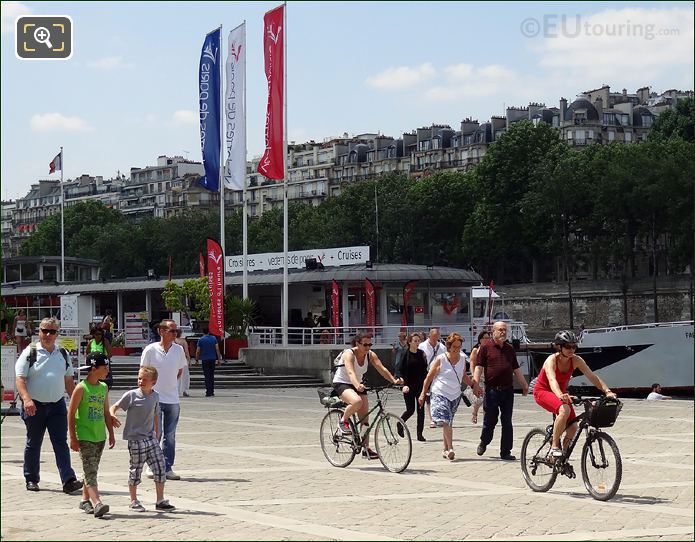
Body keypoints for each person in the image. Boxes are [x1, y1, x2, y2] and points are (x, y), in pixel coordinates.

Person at [14, 317, 83, 494]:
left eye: (52, 331)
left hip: (57, 405)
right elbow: (20, 379)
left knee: (60, 442)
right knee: (33, 442)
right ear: (39, 332)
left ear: (57, 334)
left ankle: (68, 480)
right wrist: (27, 399)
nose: (47, 334)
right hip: (34, 405)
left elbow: (69, 382)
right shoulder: (30, 352)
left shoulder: (63, 354)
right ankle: (31, 478)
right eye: (44, 330)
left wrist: (78, 403)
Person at [533, 330, 617, 457]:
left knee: (573, 427)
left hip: (561, 394)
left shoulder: (576, 360)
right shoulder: (551, 360)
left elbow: (592, 377)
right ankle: (554, 447)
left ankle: (563, 455)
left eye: (574, 346)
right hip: (543, 391)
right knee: (564, 410)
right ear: (559, 347)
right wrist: (560, 395)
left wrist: (607, 391)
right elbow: (552, 380)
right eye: (567, 346)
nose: (571, 349)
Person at [110, 366, 176, 512]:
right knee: (136, 470)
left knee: (160, 467)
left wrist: (157, 434)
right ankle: (133, 500)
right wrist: (112, 415)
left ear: (154, 382)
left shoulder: (155, 396)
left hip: (150, 438)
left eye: (145, 380)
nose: (141, 381)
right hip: (135, 440)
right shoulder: (131, 395)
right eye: (139, 378)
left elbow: (156, 415)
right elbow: (114, 406)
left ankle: (160, 500)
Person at [332, 331, 403, 460]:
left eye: (370, 344)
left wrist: (394, 380)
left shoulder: (370, 355)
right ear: (357, 343)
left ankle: (365, 448)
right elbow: (350, 372)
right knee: (357, 401)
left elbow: (382, 369)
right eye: (365, 345)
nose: (368, 347)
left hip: (358, 384)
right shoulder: (349, 354)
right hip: (342, 383)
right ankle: (343, 421)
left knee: (365, 420)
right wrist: (357, 384)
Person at [67, 352, 119, 518]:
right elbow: (71, 413)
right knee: (90, 471)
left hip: (99, 436)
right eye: (105, 368)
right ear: (94, 369)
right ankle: (97, 503)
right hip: (85, 436)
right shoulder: (81, 388)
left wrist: (110, 433)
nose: (107, 371)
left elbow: (105, 412)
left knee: (92, 470)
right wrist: (73, 437)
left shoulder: (103, 388)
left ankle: (84, 500)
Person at [473, 321, 529, 461]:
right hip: (492, 391)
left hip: (507, 391)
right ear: (493, 332)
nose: (503, 332)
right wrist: (475, 384)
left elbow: (516, 369)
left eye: (505, 330)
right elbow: (479, 367)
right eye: (500, 330)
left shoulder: (510, 349)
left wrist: (524, 385)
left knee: (507, 421)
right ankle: (484, 442)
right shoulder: (485, 347)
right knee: (490, 420)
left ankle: (505, 452)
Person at [140, 319, 187, 480]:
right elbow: (143, 372)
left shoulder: (178, 350)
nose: (175, 334)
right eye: (172, 331)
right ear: (161, 331)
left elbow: (179, 371)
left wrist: (171, 384)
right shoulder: (150, 350)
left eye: (176, 331)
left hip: (172, 398)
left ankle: (167, 467)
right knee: (154, 433)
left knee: (170, 435)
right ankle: (152, 466)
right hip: (154, 398)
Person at [419, 332, 478, 460]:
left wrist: (474, 386)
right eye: (454, 347)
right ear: (449, 346)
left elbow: (463, 376)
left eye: (459, 347)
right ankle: (451, 448)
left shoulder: (462, 359)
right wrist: (423, 393)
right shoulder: (441, 359)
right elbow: (429, 378)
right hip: (440, 392)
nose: (456, 349)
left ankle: (445, 450)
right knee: (445, 420)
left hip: (454, 394)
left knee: (448, 422)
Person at [396, 333, 428, 442]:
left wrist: (426, 385)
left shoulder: (421, 354)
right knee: (410, 410)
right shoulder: (405, 354)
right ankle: (400, 423)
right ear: (409, 342)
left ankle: (420, 434)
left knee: (420, 410)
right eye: (415, 341)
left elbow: (425, 370)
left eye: (418, 340)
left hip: (420, 386)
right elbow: (400, 369)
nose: (417, 343)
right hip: (408, 386)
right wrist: (403, 382)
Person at [418, 328, 447, 428]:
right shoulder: (422, 346)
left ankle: (439, 417)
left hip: (439, 375)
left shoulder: (442, 347)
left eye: (437, 336)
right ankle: (432, 419)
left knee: (439, 396)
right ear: (429, 336)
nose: (435, 339)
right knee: (428, 397)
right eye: (433, 336)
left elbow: (445, 360)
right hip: (426, 374)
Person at [468, 330, 490, 424]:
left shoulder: (490, 349)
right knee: (479, 398)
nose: (486, 340)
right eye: (484, 338)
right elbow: (472, 363)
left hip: (488, 376)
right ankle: (475, 413)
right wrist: (473, 375)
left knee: (487, 398)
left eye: (488, 338)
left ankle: (486, 417)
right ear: (480, 339)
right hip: (479, 376)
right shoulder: (476, 350)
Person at [196, 328, 222, 398]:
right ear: (209, 332)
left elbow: (198, 350)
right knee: (211, 375)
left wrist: (197, 359)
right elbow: (217, 349)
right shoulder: (213, 338)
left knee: (207, 376)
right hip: (212, 358)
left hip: (205, 359)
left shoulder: (201, 339)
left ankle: (208, 391)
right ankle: (212, 391)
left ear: (203, 332)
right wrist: (219, 359)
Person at [175, 329, 192, 397]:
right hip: (182, 359)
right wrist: (189, 359)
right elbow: (186, 351)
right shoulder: (183, 341)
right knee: (185, 375)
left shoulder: (173, 341)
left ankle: (177, 390)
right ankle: (185, 390)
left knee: (176, 376)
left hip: (175, 360)